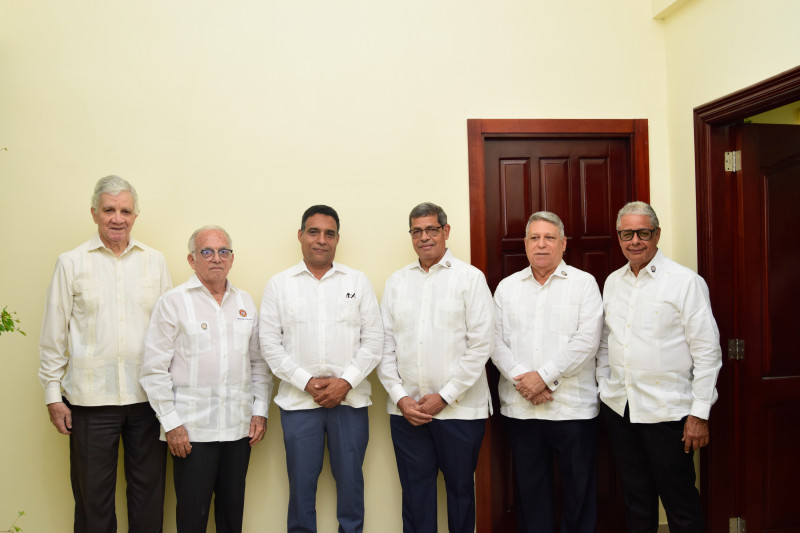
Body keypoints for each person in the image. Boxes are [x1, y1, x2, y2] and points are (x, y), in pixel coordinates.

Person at [39, 175, 171, 532]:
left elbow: (169, 332)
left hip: (148, 400)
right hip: (89, 401)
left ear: (135, 216)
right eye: (109, 210)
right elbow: (53, 334)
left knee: (149, 496)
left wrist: (172, 396)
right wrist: (53, 395)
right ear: (94, 213)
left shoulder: (155, 262)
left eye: (125, 210)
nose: (117, 218)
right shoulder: (70, 263)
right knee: (93, 499)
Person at [597, 201, 723, 533]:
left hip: (668, 414)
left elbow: (708, 353)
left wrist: (699, 413)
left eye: (643, 232)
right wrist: (604, 382)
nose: (635, 241)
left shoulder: (685, 283)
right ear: (619, 236)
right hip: (621, 409)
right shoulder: (612, 282)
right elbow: (606, 340)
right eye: (627, 233)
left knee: (680, 502)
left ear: (657, 234)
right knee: (636, 500)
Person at [140, 225, 272, 533]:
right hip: (191, 433)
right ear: (191, 260)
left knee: (231, 518)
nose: (216, 258)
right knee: (192, 518)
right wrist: (171, 423)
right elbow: (153, 369)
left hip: (238, 431)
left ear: (232, 258)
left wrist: (260, 411)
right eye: (207, 252)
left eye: (223, 251)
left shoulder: (245, 303)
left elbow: (258, 363)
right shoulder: (173, 302)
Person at [259, 205, 383, 533]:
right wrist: (307, 382)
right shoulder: (279, 284)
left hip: (350, 402)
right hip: (300, 404)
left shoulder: (357, 281)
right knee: (301, 489)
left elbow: (374, 342)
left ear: (337, 239)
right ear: (300, 236)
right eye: (313, 232)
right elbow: (269, 345)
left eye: (329, 233)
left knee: (351, 487)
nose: (321, 240)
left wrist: (345, 382)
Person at [378, 202, 494, 533]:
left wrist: (444, 396)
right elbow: (384, 347)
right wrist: (402, 398)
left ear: (445, 231)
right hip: (408, 413)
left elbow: (480, 346)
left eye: (431, 229)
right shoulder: (397, 282)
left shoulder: (470, 279)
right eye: (417, 231)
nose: (424, 237)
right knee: (416, 496)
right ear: (411, 235)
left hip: (460, 411)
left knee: (460, 493)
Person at [492, 211, 603, 533]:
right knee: (531, 494)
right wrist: (524, 380)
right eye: (534, 238)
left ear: (563, 244)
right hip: (522, 408)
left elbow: (586, 342)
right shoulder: (507, 287)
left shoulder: (584, 284)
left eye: (549, 238)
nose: (542, 245)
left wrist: (543, 377)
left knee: (579, 493)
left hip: (572, 408)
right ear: (525, 244)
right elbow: (493, 340)